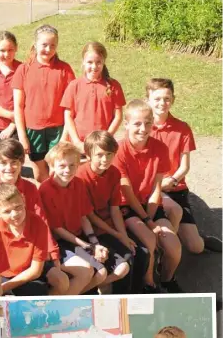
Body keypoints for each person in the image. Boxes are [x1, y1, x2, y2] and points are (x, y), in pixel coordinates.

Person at [111, 99, 183, 293]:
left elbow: (156, 187)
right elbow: (126, 191)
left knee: (174, 248)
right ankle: (148, 283)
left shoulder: (160, 148)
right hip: (127, 206)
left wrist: (150, 216)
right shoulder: (119, 151)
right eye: (137, 123)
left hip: (149, 205)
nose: (143, 128)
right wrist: (147, 222)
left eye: (148, 123)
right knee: (148, 239)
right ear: (126, 124)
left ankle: (167, 280)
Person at [146, 78, 222, 254]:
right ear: (148, 99)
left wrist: (171, 180)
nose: (162, 103)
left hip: (174, 187)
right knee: (172, 213)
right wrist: (156, 184)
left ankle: (197, 237)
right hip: (150, 188)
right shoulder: (142, 127)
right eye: (157, 99)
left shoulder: (182, 128)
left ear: (173, 99)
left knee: (196, 248)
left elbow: (184, 166)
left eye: (167, 98)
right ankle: (165, 252)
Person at [39, 142, 116, 295]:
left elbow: (83, 216)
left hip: (75, 238)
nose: (67, 170)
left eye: (72, 165)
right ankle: (57, 306)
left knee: (101, 273)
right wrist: (88, 246)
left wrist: (94, 242)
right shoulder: (45, 190)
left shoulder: (78, 184)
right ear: (52, 166)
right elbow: (57, 229)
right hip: (57, 242)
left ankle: (73, 296)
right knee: (86, 272)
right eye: (62, 166)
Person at [78, 131, 147, 294]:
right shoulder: (81, 176)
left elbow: (115, 209)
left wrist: (123, 235)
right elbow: (89, 215)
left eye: (109, 154)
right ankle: (96, 291)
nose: (105, 159)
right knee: (124, 261)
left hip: (109, 225)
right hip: (91, 229)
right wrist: (117, 235)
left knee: (139, 253)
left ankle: (134, 295)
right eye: (100, 155)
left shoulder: (114, 173)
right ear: (88, 155)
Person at [12, 24, 75, 183]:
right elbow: (18, 106)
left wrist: (65, 134)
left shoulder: (64, 70)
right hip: (33, 130)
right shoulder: (23, 69)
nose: (48, 49)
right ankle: (46, 200)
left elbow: (71, 106)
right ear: (35, 44)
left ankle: (58, 203)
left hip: (57, 129)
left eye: (52, 45)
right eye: (44, 45)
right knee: (40, 173)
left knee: (58, 171)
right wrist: (22, 136)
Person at [0, 184, 69, 296]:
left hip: (29, 270)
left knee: (60, 281)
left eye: (18, 207)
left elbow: (35, 271)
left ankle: (46, 307)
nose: (14, 214)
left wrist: (2, 288)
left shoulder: (38, 224)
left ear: (24, 200)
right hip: (2, 274)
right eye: (7, 211)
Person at [61, 42, 126, 153]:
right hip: (79, 145)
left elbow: (118, 117)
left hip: (103, 145)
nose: (94, 66)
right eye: (90, 62)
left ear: (104, 62)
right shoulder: (74, 85)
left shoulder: (114, 85)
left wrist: (106, 138)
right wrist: (77, 142)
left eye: (98, 62)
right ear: (83, 62)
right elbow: (68, 116)